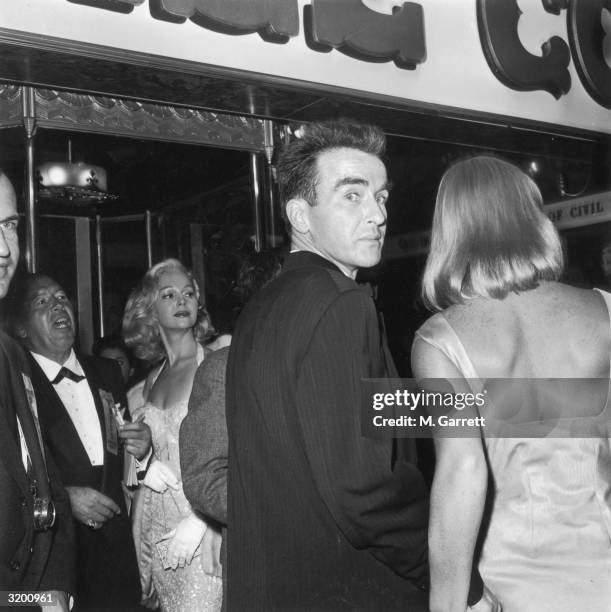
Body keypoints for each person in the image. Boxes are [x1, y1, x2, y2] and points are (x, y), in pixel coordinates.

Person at [224, 119, 431, 611]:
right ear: (301, 214)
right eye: (353, 196)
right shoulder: (341, 303)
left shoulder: (265, 305)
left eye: (381, 197)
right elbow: (362, 489)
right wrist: (442, 562)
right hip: (347, 590)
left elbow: (372, 413)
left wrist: (526, 403)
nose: (378, 215)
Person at [412, 155, 611, 612]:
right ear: (532, 218)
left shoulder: (439, 340)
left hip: (511, 589)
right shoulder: (606, 312)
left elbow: (462, 470)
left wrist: (448, 602)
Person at [12, 272, 148, 611]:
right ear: (21, 328)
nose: (58, 304)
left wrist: (143, 450)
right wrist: (64, 497)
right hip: (56, 562)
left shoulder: (107, 372)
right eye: (42, 301)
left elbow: (121, 461)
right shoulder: (13, 385)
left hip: (116, 560)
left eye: (61, 297)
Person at [180, 247, 282, 608]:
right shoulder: (224, 368)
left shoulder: (340, 356)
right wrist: (286, 513)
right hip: (266, 566)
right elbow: (204, 477)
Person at [123, 258, 222, 612]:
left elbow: (243, 453)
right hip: (158, 530)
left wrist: (202, 521)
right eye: (169, 294)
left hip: (203, 531)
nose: (182, 300)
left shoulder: (216, 364)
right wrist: (145, 458)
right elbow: (142, 465)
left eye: (189, 293)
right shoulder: (150, 380)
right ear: (149, 308)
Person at [0, 172, 75, 612]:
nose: (5, 250)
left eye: (9, 225)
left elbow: (44, 488)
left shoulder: (11, 354)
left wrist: (53, 593)